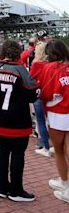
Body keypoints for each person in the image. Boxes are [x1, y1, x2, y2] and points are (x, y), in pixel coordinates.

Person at [0, 40, 38, 202]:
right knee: (17, 153)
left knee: (2, 151)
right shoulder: (19, 70)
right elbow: (32, 95)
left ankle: (2, 187)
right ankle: (16, 190)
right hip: (17, 120)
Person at [41, 40, 69, 203]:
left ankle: (65, 183)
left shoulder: (50, 68)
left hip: (58, 113)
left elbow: (45, 92)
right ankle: (64, 182)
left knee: (59, 150)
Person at [29, 41, 52, 157]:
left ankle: (45, 147)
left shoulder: (37, 64)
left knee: (41, 121)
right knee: (50, 121)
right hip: (50, 95)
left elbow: (30, 79)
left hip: (39, 95)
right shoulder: (50, 63)